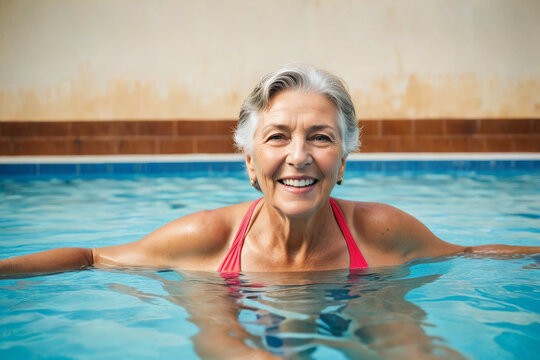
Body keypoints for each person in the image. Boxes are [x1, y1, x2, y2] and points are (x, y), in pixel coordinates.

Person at [0, 63, 538, 276]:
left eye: (321, 138)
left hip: (359, 303)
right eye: (277, 137)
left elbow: (468, 254)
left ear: (343, 162)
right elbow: (93, 258)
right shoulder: (209, 238)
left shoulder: (382, 231)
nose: (299, 156)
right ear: (251, 164)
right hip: (232, 303)